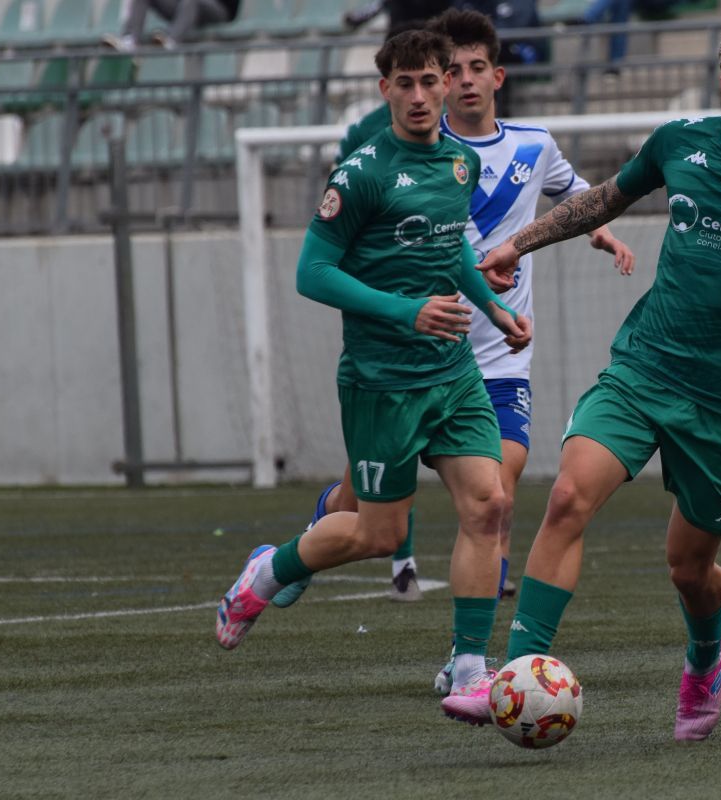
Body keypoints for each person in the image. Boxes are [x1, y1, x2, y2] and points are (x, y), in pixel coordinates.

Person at [457, 19, 721, 740]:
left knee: (689, 571)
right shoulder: (678, 141)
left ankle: (704, 656)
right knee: (566, 496)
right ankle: (518, 671)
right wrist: (513, 244)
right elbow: (603, 200)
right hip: (643, 368)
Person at [270, 8, 636, 697]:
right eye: (445, 73)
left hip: (488, 357)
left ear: (493, 76)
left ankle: (470, 656)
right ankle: (310, 545)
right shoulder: (390, 163)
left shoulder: (530, 144)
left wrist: (600, 235)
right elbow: (405, 252)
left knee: (494, 494)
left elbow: (578, 196)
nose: (456, 84)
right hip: (400, 362)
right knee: (374, 518)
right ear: (401, 88)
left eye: (468, 71)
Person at [213, 29, 531, 725]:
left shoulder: (457, 165)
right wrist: (405, 311)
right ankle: (266, 574)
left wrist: (495, 309)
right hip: (382, 381)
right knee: (378, 536)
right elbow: (312, 274)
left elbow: (450, 255)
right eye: (404, 83)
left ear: (447, 84)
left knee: (490, 505)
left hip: (454, 373)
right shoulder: (361, 175)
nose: (419, 96)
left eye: (430, 81)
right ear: (384, 89)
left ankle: (470, 668)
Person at [106, 0, 240, 51]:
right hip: (185, 9)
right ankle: (130, 39)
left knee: (191, 2)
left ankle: (171, 41)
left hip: (220, 10)